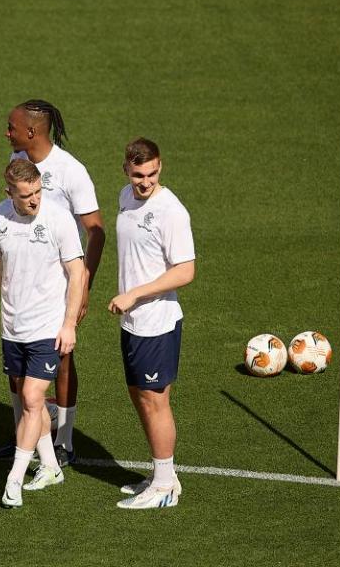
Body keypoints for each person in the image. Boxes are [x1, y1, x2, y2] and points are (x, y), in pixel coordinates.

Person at [0, 159, 85, 509]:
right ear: (9, 192)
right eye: (26, 196)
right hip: (13, 327)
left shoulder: (58, 218)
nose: (34, 200)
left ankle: (13, 479)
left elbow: (77, 273)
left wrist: (69, 323)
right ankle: (52, 467)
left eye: (38, 192)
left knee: (30, 398)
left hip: (48, 327)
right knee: (32, 402)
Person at [6, 99, 105, 465]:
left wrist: (84, 287)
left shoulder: (69, 171)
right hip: (21, 282)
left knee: (61, 359)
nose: (7, 132)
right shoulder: (19, 162)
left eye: (12, 127)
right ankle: (25, 436)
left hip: (58, 284)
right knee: (15, 363)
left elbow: (96, 232)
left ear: (31, 131)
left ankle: (63, 438)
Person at [108, 138, 195, 509]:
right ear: (126, 168)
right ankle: (163, 473)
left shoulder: (170, 211)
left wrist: (135, 294)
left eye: (153, 173)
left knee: (155, 401)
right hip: (134, 322)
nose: (145, 181)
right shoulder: (125, 197)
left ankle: (163, 488)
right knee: (139, 396)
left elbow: (186, 271)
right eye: (139, 174)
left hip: (156, 322)